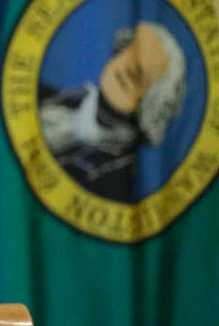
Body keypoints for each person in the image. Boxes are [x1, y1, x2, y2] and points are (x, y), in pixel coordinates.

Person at [39, 21, 187, 201]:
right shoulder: (40, 96)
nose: (131, 69)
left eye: (146, 75)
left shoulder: (115, 184)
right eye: (133, 51)